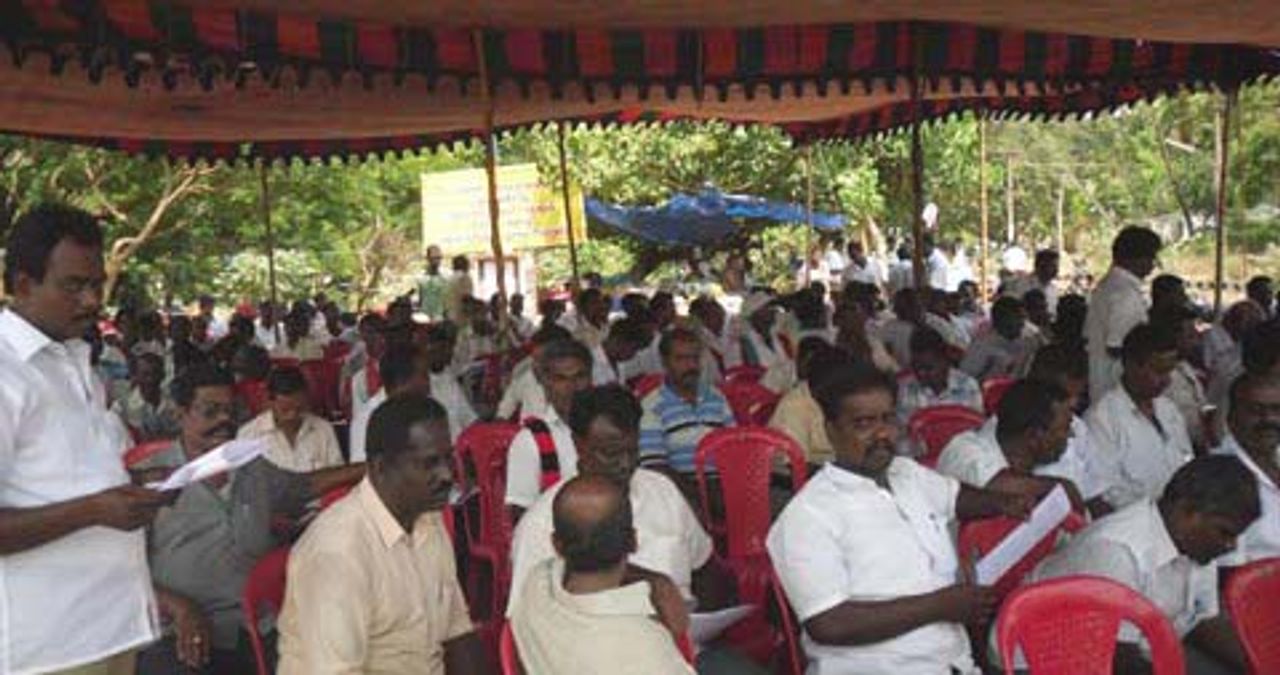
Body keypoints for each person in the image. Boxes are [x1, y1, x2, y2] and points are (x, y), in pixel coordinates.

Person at [766, 363, 1032, 674]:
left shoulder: (906, 474)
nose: (881, 433)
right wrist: (940, 606)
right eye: (863, 423)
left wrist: (1005, 503)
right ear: (831, 430)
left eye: (888, 419)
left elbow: (957, 497)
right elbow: (828, 623)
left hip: (953, 663)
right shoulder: (809, 514)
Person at [0, 203, 171, 674]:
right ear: (22, 284)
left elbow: (66, 478)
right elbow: (85, 502)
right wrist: (95, 510)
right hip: (49, 648)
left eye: (97, 284)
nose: (93, 300)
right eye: (74, 286)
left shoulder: (76, 362)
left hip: (113, 628)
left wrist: (136, 484)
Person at [136, 365, 362, 675]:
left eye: (230, 411)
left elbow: (302, 486)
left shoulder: (250, 467)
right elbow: (119, 572)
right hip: (177, 629)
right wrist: (179, 607)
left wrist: (372, 468)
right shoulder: (152, 479)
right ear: (180, 414)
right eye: (210, 411)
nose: (223, 421)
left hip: (254, 622)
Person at [508, 385, 737, 672]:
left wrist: (701, 623)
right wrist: (653, 584)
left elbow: (705, 570)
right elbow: (524, 631)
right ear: (579, 445)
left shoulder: (662, 491)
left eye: (632, 451)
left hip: (689, 649)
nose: (626, 465)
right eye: (611, 454)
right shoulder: (545, 523)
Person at [277, 393, 489, 674]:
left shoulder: (427, 518)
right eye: (429, 463)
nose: (447, 475)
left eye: (448, 458)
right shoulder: (338, 552)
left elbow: (456, 629)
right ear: (380, 467)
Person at [1026, 456, 1257, 674]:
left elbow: (1201, 620)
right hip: (1041, 662)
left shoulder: (1198, 547)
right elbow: (1115, 659)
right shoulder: (1118, 551)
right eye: (1225, 532)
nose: (1231, 546)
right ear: (1186, 511)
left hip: (1138, 653)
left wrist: (1261, 665)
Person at [510, 475, 694, 675]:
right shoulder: (646, 647)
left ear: (556, 544)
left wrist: (654, 580)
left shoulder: (536, 587)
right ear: (633, 540)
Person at [1087, 322, 1193, 511]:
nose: (1167, 380)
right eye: (1159, 371)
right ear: (1130, 365)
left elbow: (1187, 463)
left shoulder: (1169, 410)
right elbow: (1106, 493)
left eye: (1170, 371)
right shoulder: (1101, 420)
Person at [936, 380, 1086, 510]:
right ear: (1033, 436)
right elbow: (992, 487)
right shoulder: (962, 450)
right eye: (1065, 428)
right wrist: (1058, 488)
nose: (1071, 434)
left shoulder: (1047, 464)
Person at [505, 339, 594, 522]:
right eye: (561, 379)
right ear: (545, 384)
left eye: (580, 376)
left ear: (591, 378)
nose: (572, 387)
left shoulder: (608, 428)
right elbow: (521, 516)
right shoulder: (530, 441)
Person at [638, 328, 736, 481]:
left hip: (724, 484)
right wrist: (695, 497)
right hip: (680, 491)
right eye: (681, 359)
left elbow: (734, 445)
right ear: (665, 362)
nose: (691, 366)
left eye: (695, 358)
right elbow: (654, 466)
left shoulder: (717, 397)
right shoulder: (652, 406)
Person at [1085, 226, 1162, 402]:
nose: (1152, 265)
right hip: (1115, 387)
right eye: (1151, 258)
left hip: (1102, 382)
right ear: (1137, 258)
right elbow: (1116, 346)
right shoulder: (1124, 294)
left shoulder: (1107, 285)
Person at [1211, 373, 1280, 564]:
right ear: (1231, 417)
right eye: (1255, 411)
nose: (1268, 419)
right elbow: (1228, 571)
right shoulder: (1217, 477)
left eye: (1277, 410)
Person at [236, 366, 343, 472]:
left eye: (300, 409)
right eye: (285, 410)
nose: (293, 416)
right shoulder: (248, 435)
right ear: (269, 401)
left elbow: (336, 476)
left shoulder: (323, 430)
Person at [769, 340, 854, 467]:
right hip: (789, 479)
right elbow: (797, 464)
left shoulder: (840, 400)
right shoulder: (795, 406)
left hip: (828, 469)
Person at [349, 342, 432, 463]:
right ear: (403, 380)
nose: (429, 383)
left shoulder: (426, 407)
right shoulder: (366, 419)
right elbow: (362, 470)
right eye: (424, 376)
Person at [1151, 305, 1212, 452]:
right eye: (1190, 335)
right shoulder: (1157, 378)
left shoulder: (1185, 366)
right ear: (1172, 337)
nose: (1197, 339)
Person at [897, 326, 983, 422]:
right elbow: (904, 428)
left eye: (928, 368)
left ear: (945, 361)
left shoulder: (968, 385)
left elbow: (977, 424)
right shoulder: (906, 389)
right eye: (916, 367)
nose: (921, 373)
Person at [496, 324, 574, 420]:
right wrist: (501, 417)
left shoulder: (574, 385)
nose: (535, 365)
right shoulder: (528, 377)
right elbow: (511, 397)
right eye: (535, 359)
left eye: (542, 360)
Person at [1202, 300, 1265, 410]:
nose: (1254, 329)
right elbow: (1209, 370)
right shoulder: (1210, 337)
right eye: (1250, 323)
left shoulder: (1242, 342)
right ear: (1234, 320)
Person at [959, 296, 1039, 381]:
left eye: (1023, 318)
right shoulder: (982, 346)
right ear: (1001, 319)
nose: (1022, 323)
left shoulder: (1027, 343)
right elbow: (965, 378)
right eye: (1018, 318)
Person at [423, 324, 478, 442]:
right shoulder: (420, 383)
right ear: (428, 349)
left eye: (451, 347)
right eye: (442, 349)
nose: (449, 353)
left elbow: (468, 416)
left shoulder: (448, 376)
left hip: (461, 443)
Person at [112, 351, 181, 441]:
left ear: (162, 375)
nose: (150, 379)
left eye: (155, 373)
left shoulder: (175, 405)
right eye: (145, 374)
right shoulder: (121, 408)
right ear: (135, 376)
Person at [593, 316, 650, 386]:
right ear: (618, 341)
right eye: (633, 349)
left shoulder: (618, 363)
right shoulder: (592, 362)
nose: (633, 355)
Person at [1003, 249, 1060, 316]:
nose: (1056, 270)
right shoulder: (1021, 285)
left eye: (1057, 266)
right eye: (1053, 266)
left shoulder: (1053, 289)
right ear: (1041, 266)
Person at [445, 254, 474, 323]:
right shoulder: (465, 277)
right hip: (461, 317)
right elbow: (466, 298)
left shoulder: (449, 278)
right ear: (465, 265)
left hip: (450, 316)